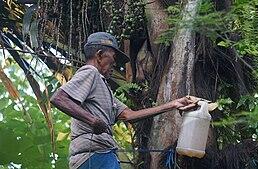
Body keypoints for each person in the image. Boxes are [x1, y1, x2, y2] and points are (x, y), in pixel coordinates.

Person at [50, 32, 195, 169]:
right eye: (113, 59)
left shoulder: (103, 87)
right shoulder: (91, 72)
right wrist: (92, 120)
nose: (115, 65)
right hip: (93, 155)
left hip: (100, 154)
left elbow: (129, 115)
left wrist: (173, 104)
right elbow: (59, 98)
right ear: (99, 56)